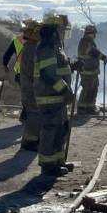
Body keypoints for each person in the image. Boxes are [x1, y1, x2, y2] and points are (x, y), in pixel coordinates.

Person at [34, 16, 74, 176]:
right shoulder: (46, 48)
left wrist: (73, 66)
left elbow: (58, 68)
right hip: (50, 97)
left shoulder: (55, 47)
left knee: (61, 129)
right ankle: (48, 165)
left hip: (58, 98)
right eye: (61, 30)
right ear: (54, 30)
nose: (63, 33)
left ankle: (58, 160)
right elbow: (48, 75)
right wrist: (65, 90)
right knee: (51, 130)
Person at [18, 19, 41, 151]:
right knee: (34, 112)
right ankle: (29, 142)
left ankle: (33, 139)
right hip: (31, 87)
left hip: (29, 85)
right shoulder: (32, 48)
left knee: (34, 112)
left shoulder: (31, 47)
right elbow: (34, 70)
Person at [76, 24, 107, 115]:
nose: (95, 36)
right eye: (94, 34)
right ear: (91, 33)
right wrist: (103, 57)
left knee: (93, 90)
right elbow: (92, 51)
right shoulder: (84, 42)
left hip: (92, 71)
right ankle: (81, 109)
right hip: (86, 71)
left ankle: (90, 108)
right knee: (86, 89)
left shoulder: (89, 42)